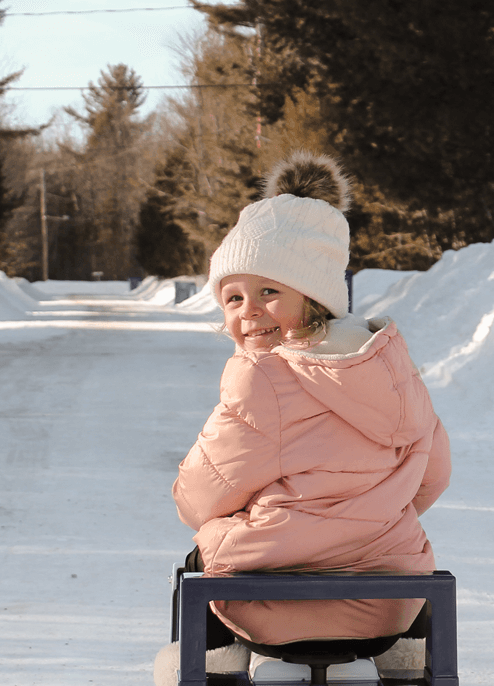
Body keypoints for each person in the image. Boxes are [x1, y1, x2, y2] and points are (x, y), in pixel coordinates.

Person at [172, 151, 450, 659]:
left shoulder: (264, 378)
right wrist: (369, 516)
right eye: (232, 299)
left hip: (277, 605)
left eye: (269, 290)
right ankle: (403, 668)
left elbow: (200, 497)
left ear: (315, 296)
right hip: (391, 602)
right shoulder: (390, 363)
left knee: (203, 552)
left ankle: (210, 675)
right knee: (404, 542)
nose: (249, 312)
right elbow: (432, 473)